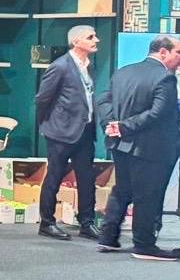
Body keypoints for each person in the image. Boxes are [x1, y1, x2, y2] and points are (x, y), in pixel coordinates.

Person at [95, 35, 180, 261]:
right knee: (147, 195)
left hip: (120, 145)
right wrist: (123, 126)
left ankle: (108, 237)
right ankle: (144, 245)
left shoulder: (123, 72)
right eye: (178, 53)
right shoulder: (165, 78)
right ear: (163, 52)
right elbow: (158, 113)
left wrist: (111, 125)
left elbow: (103, 100)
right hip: (151, 148)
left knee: (122, 190)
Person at [34, 26, 101, 241]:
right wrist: (49, 124)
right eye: (90, 37)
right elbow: (42, 99)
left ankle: (87, 222)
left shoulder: (88, 66)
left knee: (86, 177)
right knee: (54, 176)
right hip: (61, 132)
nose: (96, 40)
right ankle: (47, 222)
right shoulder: (60, 66)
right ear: (76, 42)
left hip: (85, 131)